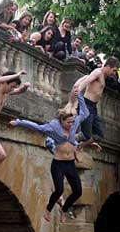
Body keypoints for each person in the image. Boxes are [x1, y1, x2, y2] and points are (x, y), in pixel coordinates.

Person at [9, 88, 101, 223]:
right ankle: (48, 210)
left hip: (70, 164)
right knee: (59, 190)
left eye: (72, 122)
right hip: (58, 164)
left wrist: (79, 96)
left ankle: (63, 210)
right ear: (62, 121)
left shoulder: (73, 124)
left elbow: (85, 114)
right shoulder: (52, 128)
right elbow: (36, 127)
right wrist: (18, 122)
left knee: (78, 192)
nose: (71, 125)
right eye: (68, 123)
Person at [76, 56, 120, 144]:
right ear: (108, 67)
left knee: (99, 135)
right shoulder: (98, 72)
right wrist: (78, 93)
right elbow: (86, 81)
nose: (114, 73)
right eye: (114, 70)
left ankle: (80, 146)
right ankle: (66, 140)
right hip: (86, 105)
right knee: (85, 135)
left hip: (93, 108)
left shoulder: (103, 77)